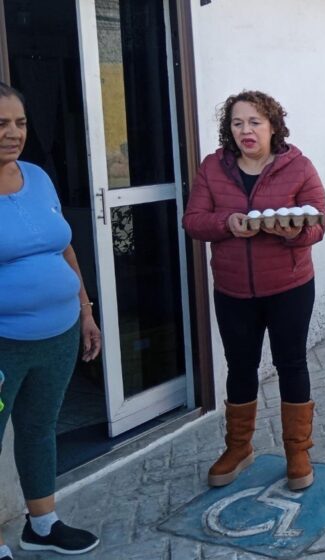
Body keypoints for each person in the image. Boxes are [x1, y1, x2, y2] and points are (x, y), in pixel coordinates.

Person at [183, 90, 325, 491]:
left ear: (272, 126)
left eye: (254, 122)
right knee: (240, 367)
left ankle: (297, 450)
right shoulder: (213, 168)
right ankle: (238, 447)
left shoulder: (298, 167)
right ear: (228, 129)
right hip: (233, 290)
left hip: (289, 287)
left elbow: (318, 222)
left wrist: (293, 233)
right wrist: (227, 223)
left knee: (291, 364)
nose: (245, 130)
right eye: (237, 123)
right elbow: (193, 220)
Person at [0, 82, 102, 558]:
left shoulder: (38, 177)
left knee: (40, 428)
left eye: (20, 123)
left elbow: (64, 246)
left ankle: (41, 525)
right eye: (1, 124)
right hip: (5, 342)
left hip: (58, 334)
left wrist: (85, 310)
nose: (13, 133)